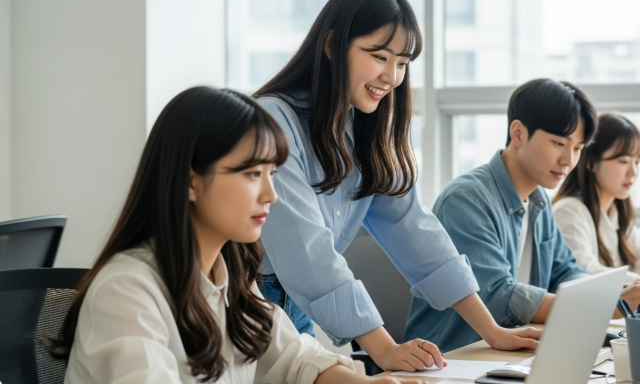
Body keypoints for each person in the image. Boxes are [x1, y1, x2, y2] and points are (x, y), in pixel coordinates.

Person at [253, 0, 539, 370]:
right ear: (332, 46)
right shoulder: (273, 121)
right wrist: (385, 350)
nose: (391, 76)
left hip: (294, 305)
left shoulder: (366, 132)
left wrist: (493, 332)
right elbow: (308, 252)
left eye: (403, 63)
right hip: (244, 299)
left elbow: (415, 231)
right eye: (379, 56)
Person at [53, 87, 421, 384]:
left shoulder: (231, 283)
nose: (270, 195)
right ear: (191, 181)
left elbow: (297, 360)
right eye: (251, 174)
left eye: (271, 173)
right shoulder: (126, 291)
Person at [405, 79, 640, 352]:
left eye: (577, 148)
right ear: (518, 133)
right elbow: (497, 296)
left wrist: (609, 296)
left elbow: (566, 272)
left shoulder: (539, 203)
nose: (569, 160)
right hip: (452, 358)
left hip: (510, 354)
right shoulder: (466, 200)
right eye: (559, 143)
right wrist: (606, 304)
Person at [552, 113, 640, 295]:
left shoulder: (616, 209)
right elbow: (585, 272)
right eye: (623, 161)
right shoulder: (569, 211)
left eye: (637, 161)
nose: (633, 172)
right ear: (591, 162)